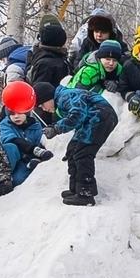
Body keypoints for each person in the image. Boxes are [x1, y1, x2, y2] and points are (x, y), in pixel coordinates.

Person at [55, 61, 120, 206]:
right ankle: (75, 188)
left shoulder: (64, 97)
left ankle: (86, 193)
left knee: (83, 154)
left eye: (42, 104)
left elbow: (77, 114)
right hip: (96, 118)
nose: (43, 108)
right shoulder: (63, 96)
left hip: (101, 118)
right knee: (73, 150)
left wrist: (56, 129)